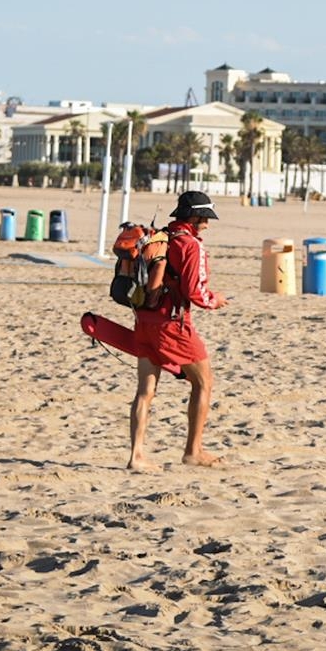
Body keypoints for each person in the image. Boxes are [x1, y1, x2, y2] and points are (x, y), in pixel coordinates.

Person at [128, 190, 229, 470]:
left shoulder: (160, 237)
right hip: (172, 325)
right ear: (194, 217)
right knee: (204, 382)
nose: (207, 225)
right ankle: (193, 451)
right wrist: (215, 301)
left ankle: (136, 456)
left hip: (144, 320)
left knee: (145, 390)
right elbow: (194, 291)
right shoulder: (190, 245)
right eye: (205, 219)